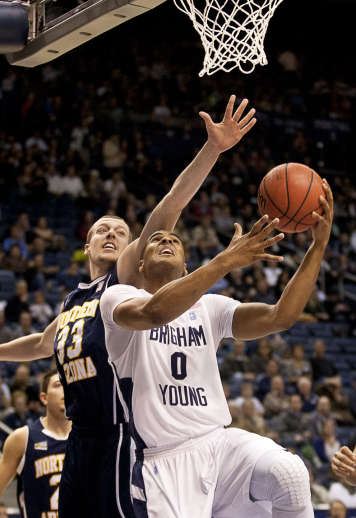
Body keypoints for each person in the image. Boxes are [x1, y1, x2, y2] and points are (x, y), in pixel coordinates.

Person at [0, 96, 257, 518]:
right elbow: (43, 344)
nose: (110, 234)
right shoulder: (74, 302)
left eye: (121, 233)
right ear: (85, 246)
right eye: (101, 230)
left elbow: (170, 206)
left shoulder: (121, 284)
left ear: (135, 255)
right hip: (81, 438)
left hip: (120, 435)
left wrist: (212, 149)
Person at [100, 179, 332, 518]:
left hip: (218, 444)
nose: (166, 240)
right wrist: (224, 262)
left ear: (186, 268)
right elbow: (156, 312)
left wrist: (319, 245)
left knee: (290, 474)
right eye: (157, 241)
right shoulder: (118, 298)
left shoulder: (210, 308)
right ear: (138, 266)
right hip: (162, 460)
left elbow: (280, 316)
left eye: (173, 240)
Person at [0, 369, 70, 517]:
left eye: (69, 384)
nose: (66, 389)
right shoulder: (22, 438)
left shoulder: (88, 438)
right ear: (44, 398)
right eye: (58, 384)